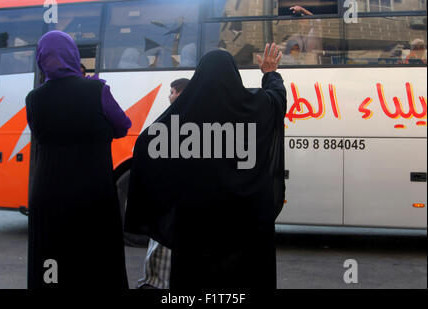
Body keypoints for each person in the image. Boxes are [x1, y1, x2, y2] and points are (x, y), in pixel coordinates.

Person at [125, 43, 287, 289]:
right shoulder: (255, 107)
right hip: (245, 227)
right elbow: (277, 98)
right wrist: (269, 72)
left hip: (195, 229)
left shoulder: (181, 118)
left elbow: (146, 143)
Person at [26, 31, 131, 289]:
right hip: (91, 190)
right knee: (94, 256)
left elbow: (41, 135)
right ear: (74, 55)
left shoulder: (34, 99)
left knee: (52, 254)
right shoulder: (97, 90)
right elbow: (123, 127)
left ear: (41, 59)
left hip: (48, 190)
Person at [137, 77, 190, 289]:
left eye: (171, 92)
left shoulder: (171, 119)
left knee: (162, 243)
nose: (169, 96)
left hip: (170, 198)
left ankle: (156, 282)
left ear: (179, 93)